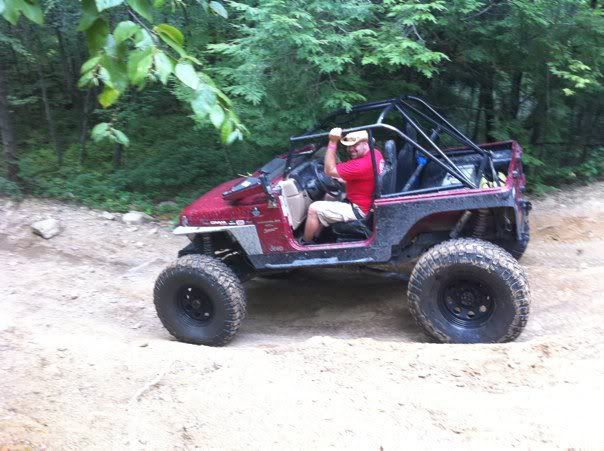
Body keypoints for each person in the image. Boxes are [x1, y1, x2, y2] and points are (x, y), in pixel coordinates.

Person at [302, 127, 383, 244]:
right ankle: (318, 237)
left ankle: (305, 244)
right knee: (328, 197)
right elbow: (365, 178)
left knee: (313, 209)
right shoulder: (375, 153)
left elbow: (329, 170)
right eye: (349, 146)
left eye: (355, 145)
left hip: (360, 210)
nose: (351, 149)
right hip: (366, 201)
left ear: (366, 143)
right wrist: (342, 179)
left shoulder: (360, 165)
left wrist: (333, 142)